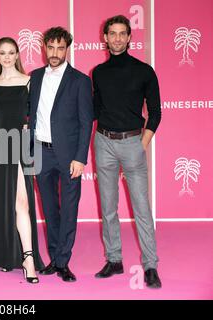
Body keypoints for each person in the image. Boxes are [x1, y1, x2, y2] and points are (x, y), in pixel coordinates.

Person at [92, 15, 162, 288]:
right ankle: (114, 259)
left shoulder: (145, 71)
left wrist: (141, 144)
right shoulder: (98, 72)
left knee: (141, 208)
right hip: (104, 142)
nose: (118, 38)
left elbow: (155, 113)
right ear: (105, 38)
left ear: (129, 38)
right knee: (108, 207)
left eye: (123, 33)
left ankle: (151, 265)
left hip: (133, 142)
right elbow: (96, 110)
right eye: (113, 33)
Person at [29, 27, 94, 282]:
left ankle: (63, 261)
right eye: (51, 47)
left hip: (69, 156)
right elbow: (29, 115)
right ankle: (55, 258)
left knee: (68, 209)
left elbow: (86, 122)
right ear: (44, 47)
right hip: (41, 153)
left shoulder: (79, 80)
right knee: (49, 209)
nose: (55, 53)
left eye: (60, 48)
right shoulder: (33, 77)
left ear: (67, 49)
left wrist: (80, 157)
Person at [0, 37, 44, 283]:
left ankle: (28, 258)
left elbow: (34, 117)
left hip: (19, 145)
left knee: (22, 203)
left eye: (11, 52)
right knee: (1, 203)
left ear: (17, 55)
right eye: (2, 53)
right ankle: (8, 256)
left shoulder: (28, 81)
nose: (6, 57)